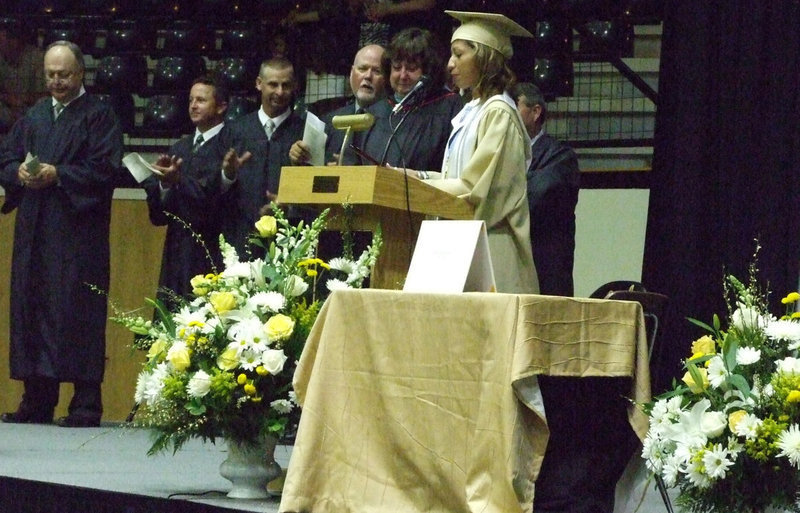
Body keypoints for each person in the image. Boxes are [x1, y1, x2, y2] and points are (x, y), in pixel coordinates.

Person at [0, 40, 124, 427]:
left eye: (64, 75)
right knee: (33, 307)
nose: (56, 81)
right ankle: (37, 400)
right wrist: (18, 173)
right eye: (50, 75)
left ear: (81, 73)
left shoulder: (100, 116)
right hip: (35, 231)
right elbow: (6, 157)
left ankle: (85, 404)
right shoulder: (36, 114)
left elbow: (106, 169)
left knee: (78, 312)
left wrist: (59, 174)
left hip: (77, 235)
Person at [417, 11, 538, 294]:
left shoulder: (499, 113)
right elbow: (459, 177)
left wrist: (417, 190)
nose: (450, 64)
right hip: (462, 244)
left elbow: (477, 189)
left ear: (485, 58)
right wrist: (414, 176)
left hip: (490, 252)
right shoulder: (471, 111)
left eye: (459, 54)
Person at [142, 75, 229, 305]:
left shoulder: (230, 145)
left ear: (221, 106)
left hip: (212, 249)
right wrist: (164, 184)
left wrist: (179, 180)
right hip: (177, 251)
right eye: (191, 100)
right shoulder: (180, 147)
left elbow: (214, 198)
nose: (193, 106)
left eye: (201, 100)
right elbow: (160, 216)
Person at [216, 57, 307, 254]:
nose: (280, 92)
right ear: (259, 84)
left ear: (294, 86)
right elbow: (214, 192)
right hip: (240, 237)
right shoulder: (235, 131)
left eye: (286, 85)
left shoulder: (305, 133)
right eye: (273, 84)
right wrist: (228, 175)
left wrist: (289, 207)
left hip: (288, 240)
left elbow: (314, 191)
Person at [347, 27, 462, 173]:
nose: (402, 75)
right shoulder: (373, 113)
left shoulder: (450, 108)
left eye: (411, 68)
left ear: (428, 71)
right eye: (396, 67)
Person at [514, 82, 579, 296]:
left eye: (515, 106)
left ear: (536, 112)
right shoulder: (506, 152)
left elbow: (537, 195)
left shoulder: (561, 156)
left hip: (546, 274)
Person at [289, 43, 386, 166]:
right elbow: (311, 169)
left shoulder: (394, 123)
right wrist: (298, 157)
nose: (368, 76)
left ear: (387, 78)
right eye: (362, 69)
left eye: (377, 71)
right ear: (351, 73)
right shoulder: (329, 122)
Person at [0, 20, 46, 135]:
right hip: (7, 109)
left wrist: (19, 100)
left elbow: (46, 95)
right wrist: (7, 99)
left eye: (2, 40)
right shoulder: (2, 58)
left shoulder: (37, 58)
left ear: (15, 41)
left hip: (31, 109)